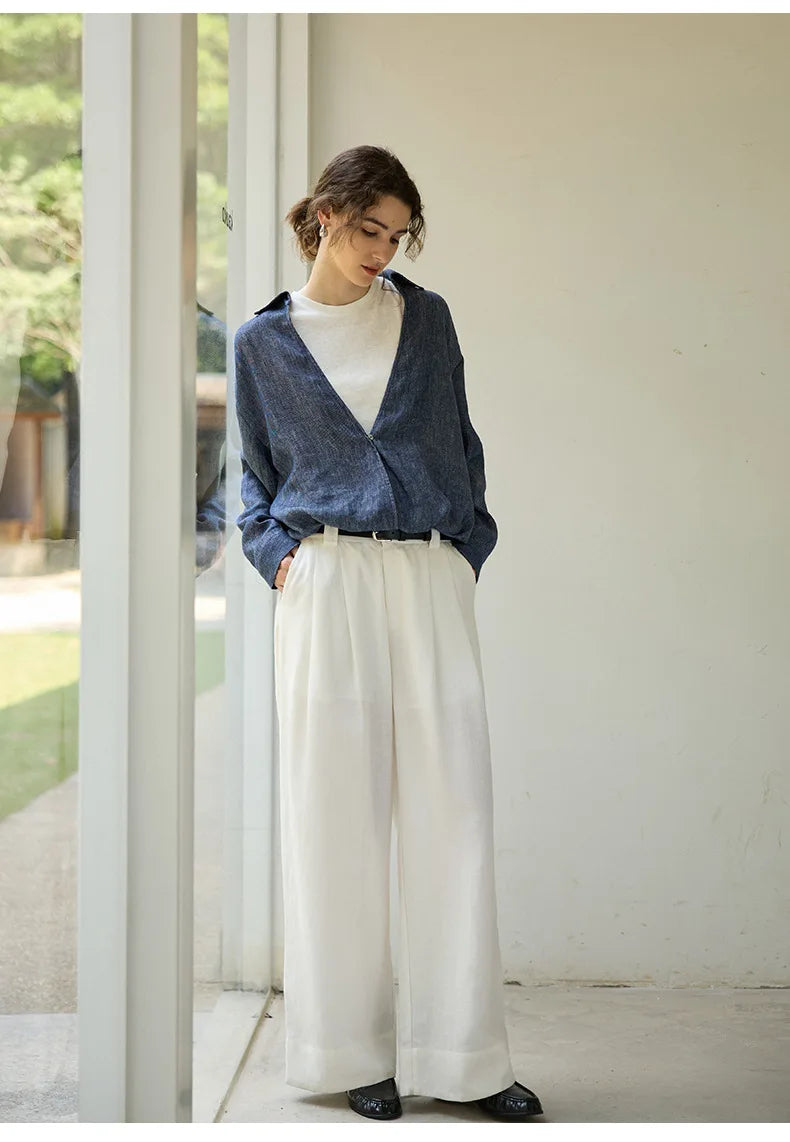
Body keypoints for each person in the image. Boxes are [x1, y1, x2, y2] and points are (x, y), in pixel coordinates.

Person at [233, 144, 544, 1123]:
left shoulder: (427, 318)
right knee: (334, 816)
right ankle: (348, 1051)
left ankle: (466, 1058)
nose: (382, 249)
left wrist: (465, 550)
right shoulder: (262, 344)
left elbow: (462, 444)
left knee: (455, 814)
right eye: (369, 228)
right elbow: (252, 479)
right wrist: (281, 559)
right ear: (325, 214)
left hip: (426, 573)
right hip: (325, 579)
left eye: (398, 235)